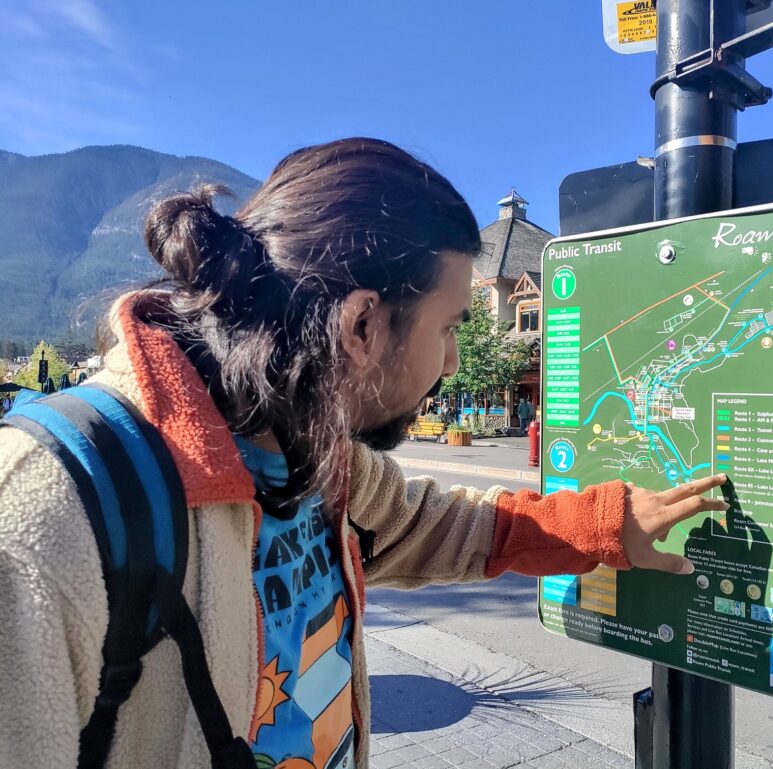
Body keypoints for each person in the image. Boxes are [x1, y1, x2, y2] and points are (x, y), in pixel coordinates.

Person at [0, 138, 726, 769]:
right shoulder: (51, 510)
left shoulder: (310, 447)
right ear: (361, 324)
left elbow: (438, 524)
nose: (449, 363)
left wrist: (604, 525)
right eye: (446, 328)